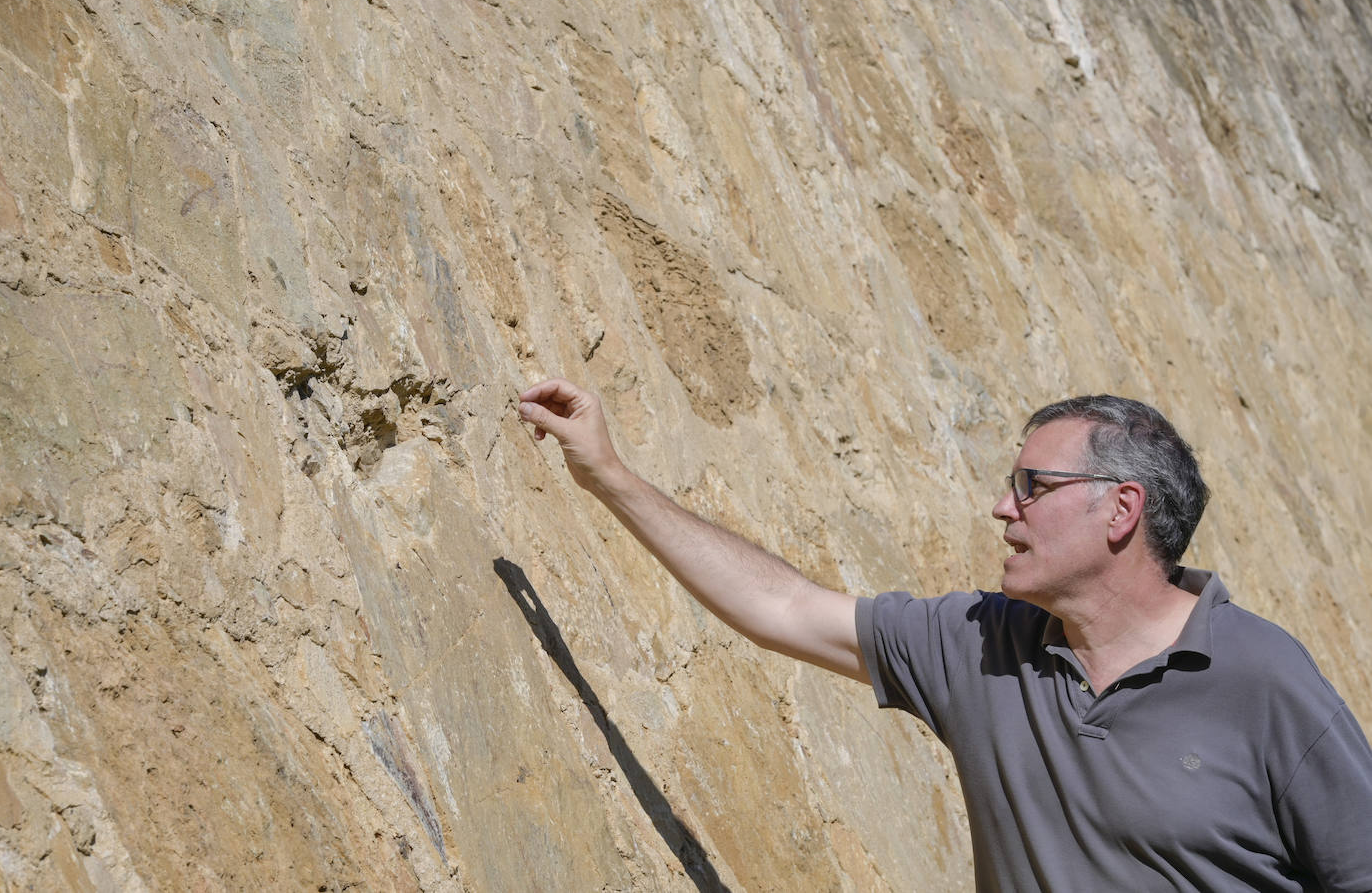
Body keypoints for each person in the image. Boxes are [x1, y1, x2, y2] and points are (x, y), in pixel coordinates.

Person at [517, 378, 1372, 891]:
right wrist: (611, 477)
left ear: (1121, 509)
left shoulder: (1263, 679)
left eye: (1032, 485)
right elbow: (785, 608)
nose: (1004, 507)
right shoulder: (982, 646)